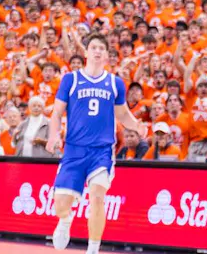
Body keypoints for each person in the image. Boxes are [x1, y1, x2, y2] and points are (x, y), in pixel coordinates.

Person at [45, 34, 146, 254]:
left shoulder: (114, 82)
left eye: (102, 48)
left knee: (98, 197)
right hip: (73, 150)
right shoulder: (70, 80)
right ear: (86, 51)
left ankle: (93, 249)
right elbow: (56, 113)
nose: (98, 51)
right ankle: (65, 221)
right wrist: (53, 136)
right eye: (94, 47)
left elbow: (122, 114)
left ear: (107, 55)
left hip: (101, 151)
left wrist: (137, 126)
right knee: (61, 203)